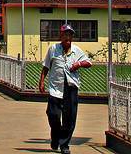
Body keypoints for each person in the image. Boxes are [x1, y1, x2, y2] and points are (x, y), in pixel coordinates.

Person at [39, 24, 92, 154]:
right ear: (60, 36)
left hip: (71, 89)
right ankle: (55, 137)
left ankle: (64, 145)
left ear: (72, 37)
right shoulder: (53, 49)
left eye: (70, 35)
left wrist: (78, 64)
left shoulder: (76, 50)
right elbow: (46, 66)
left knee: (69, 119)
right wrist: (41, 82)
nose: (67, 37)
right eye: (65, 34)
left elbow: (89, 63)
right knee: (53, 116)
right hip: (55, 89)